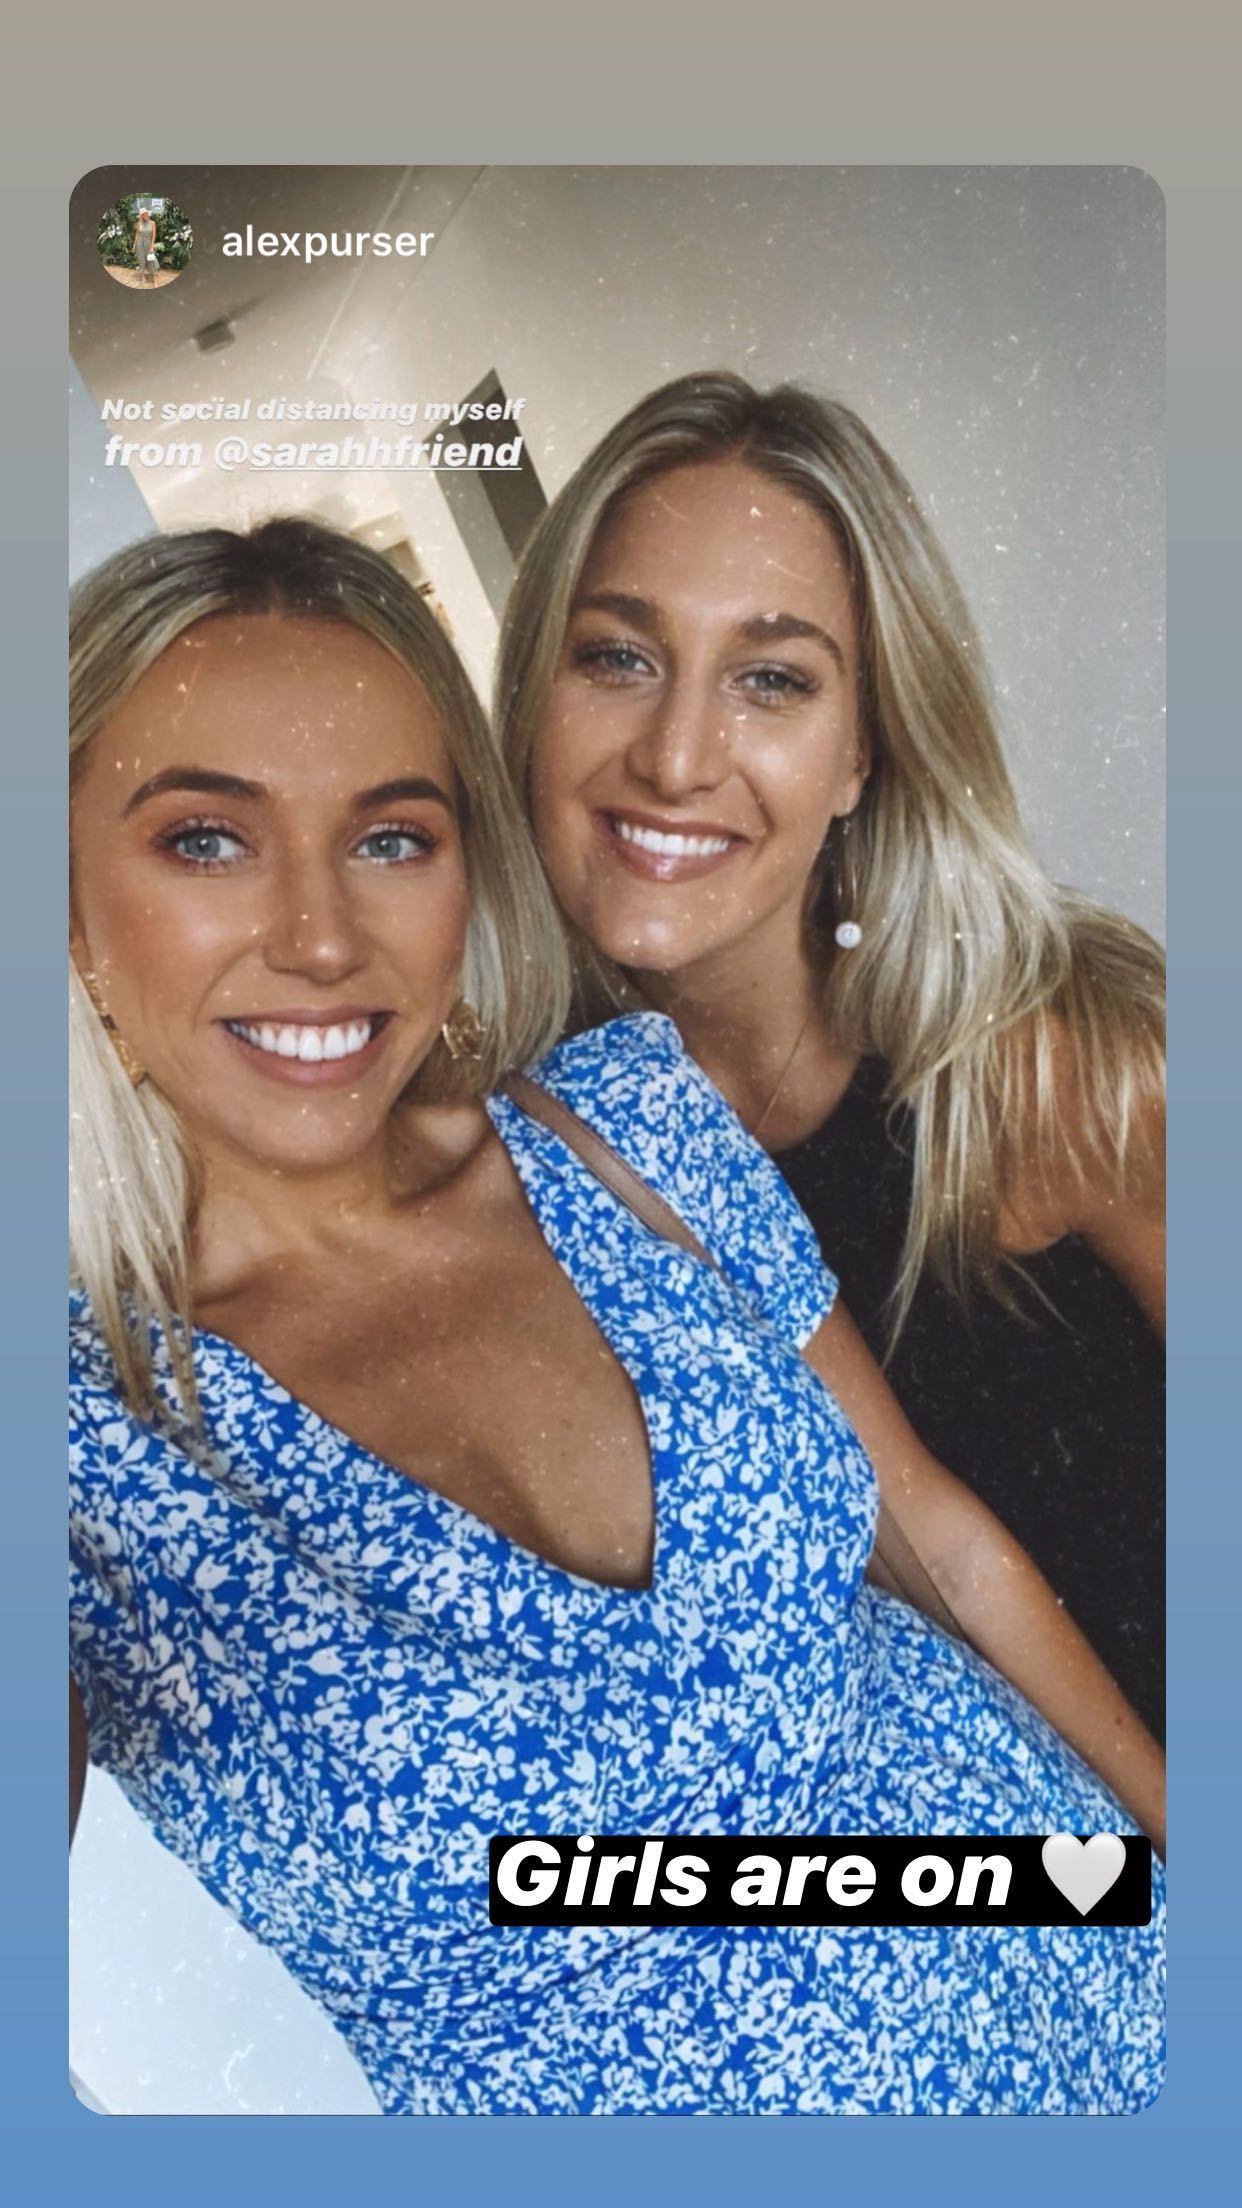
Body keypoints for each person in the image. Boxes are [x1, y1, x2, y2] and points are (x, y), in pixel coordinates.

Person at [70, 517, 1163, 2118]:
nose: (318, 937)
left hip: (1123, 1997)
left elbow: (931, 1536)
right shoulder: (81, 1435)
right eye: (205, 841)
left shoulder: (623, 1120)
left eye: (391, 839)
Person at [497, 371, 1166, 1741]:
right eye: (617, 657)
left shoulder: (1055, 1056)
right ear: (531, 699)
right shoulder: (514, 1158)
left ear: (862, 751)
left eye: (771, 681)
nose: (677, 757)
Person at [132, 207, 158, 285]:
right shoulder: (139, 224)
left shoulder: (152, 223)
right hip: (139, 244)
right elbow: (137, 234)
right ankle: (143, 276)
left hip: (148, 243)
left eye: (146, 214)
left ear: (148, 214)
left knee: (151, 260)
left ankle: (155, 279)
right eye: (143, 214)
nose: (145, 215)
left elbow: (154, 235)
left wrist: (152, 246)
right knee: (141, 260)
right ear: (141, 216)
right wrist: (134, 245)